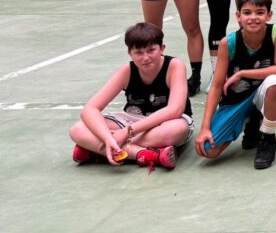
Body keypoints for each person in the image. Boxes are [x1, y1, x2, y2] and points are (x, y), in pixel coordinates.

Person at [69, 22, 193, 170]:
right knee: (77, 129)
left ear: (162, 48)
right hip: (132, 121)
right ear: (130, 53)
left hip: (166, 121)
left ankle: (96, 149)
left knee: (176, 130)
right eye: (139, 52)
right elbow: (90, 109)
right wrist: (109, 138)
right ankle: (145, 154)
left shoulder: (174, 66)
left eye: (151, 50)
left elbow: (175, 110)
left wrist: (126, 133)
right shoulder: (127, 70)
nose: (145, 57)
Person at [194, 0, 276, 170]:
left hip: (262, 94)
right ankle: (251, 122)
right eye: (247, 12)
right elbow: (216, 87)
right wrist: (205, 127)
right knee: (207, 150)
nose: (253, 17)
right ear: (238, 16)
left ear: (269, 15)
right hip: (236, 100)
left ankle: (267, 137)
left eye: (260, 12)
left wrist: (242, 73)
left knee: (275, 82)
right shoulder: (227, 43)